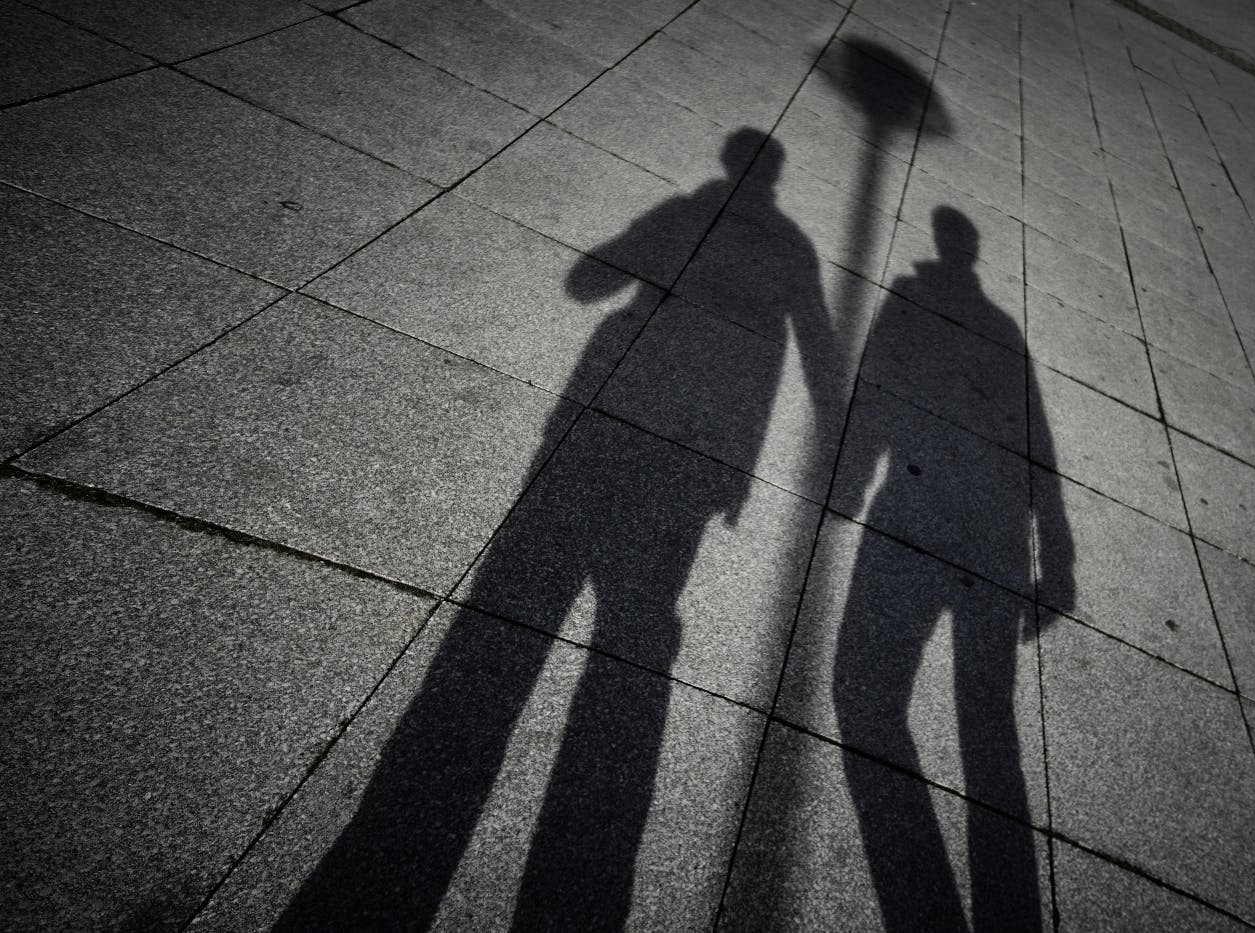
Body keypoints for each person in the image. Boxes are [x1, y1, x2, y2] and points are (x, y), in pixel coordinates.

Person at [274, 128, 845, 931]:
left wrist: (655, 267)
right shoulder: (794, 249)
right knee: (639, 630)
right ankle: (591, 844)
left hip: (607, 421)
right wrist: (828, 458)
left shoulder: (684, 213)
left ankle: (416, 813)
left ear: (727, 166)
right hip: (699, 455)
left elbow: (586, 282)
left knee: (508, 619)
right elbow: (819, 353)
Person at [832, 206, 1075, 931]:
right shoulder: (1004, 328)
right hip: (997, 535)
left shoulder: (907, 302)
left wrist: (845, 486)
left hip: (910, 506)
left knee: (863, 693)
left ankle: (920, 909)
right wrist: (1056, 553)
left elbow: (872, 396)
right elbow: (1041, 446)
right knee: (987, 723)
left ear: (940, 249)